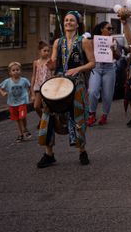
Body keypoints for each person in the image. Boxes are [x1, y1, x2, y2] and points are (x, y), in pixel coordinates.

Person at [37, 11, 95, 168]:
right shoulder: (57, 42)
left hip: (77, 84)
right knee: (47, 116)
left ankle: (82, 151)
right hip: (60, 83)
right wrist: (51, 64)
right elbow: (55, 62)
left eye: (71, 20)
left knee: (78, 117)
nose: (68, 22)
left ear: (77, 24)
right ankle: (49, 154)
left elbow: (92, 63)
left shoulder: (84, 42)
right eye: (66, 20)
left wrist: (78, 69)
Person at [87, 22, 119, 126]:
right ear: (101, 29)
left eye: (112, 29)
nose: (111, 31)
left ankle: (105, 115)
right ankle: (92, 114)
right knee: (92, 91)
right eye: (109, 28)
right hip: (96, 68)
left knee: (107, 94)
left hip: (109, 68)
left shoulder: (113, 40)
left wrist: (113, 49)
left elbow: (118, 56)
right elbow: (88, 54)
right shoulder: (93, 40)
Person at [0, 62, 32, 142]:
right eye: (13, 70)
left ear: (20, 71)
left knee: (22, 116)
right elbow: (1, 88)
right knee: (17, 119)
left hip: (22, 102)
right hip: (12, 103)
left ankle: (25, 128)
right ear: (10, 72)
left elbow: (30, 87)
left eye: (17, 69)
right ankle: (20, 134)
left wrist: (31, 95)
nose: (16, 71)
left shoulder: (24, 80)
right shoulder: (7, 81)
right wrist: (3, 93)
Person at [30, 41, 51, 120]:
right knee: (36, 106)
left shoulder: (50, 61)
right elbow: (33, 76)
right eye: (44, 51)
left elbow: (53, 74)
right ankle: (43, 120)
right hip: (38, 87)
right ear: (40, 51)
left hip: (48, 87)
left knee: (48, 107)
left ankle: (48, 123)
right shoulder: (36, 62)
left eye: (48, 51)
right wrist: (32, 91)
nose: (47, 53)